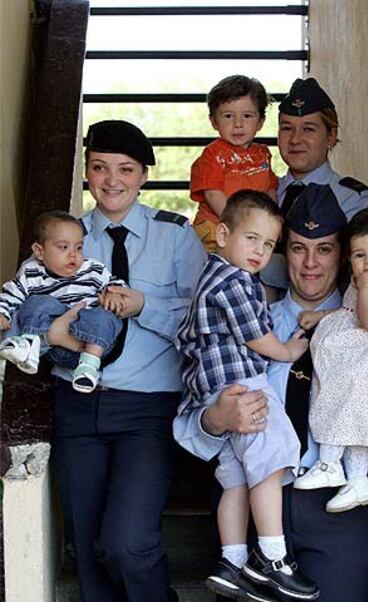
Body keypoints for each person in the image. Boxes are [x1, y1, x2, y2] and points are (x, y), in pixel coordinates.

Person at [174, 185, 368, 602]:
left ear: (342, 256)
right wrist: (215, 419)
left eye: (324, 249)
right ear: (281, 253)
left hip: (340, 509)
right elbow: (190, 403)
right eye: (296, 248)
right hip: (255, 510)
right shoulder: (250, 322)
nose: (310, 263)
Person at [46, 120, 206, 602]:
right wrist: (57, 334)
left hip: (148, 411)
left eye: (125, 169)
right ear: (87, 174)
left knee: (128, 542)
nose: (112, 180)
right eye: (99, 168)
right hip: (77, 406)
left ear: (143, 176)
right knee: (89, 548)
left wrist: (145, 307)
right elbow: (32, 312)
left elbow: (202, 321)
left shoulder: (175, 237)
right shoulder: (66, 241)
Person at [175, 189, 318, 601]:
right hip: (242, 385)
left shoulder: (214, 276)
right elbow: (256, 338)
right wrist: (289, 350)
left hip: (216, 389)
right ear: (221, 233)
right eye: (251, 238)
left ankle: (231, 562)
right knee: (271, 462)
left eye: (269, 244)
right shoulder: (234, 281)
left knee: (236, 480)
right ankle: (274, 558)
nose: (260, 251)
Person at [294, 205, 368, 512]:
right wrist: (321, 315)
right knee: (349, 421)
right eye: (360, 255)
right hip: (351, 366)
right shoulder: (360, 286)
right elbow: (348, 313)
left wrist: (365, 288)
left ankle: (330, 463)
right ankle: (357, 481)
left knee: (347, 412)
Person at [261, 76, 368, 295]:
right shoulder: (264, 192)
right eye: (286, 128)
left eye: (308, 129)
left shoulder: (351, 198)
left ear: (331, 136)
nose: (295, 139)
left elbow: (343, 271)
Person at [0, 210, 125, 393]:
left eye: (78, 247)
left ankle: (89, 368)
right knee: (37, 303)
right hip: (52, 347)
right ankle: (30, 347)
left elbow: (114, 282)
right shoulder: (32, 273)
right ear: (39, 251)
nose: (73, 255)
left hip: (90, 343)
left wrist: (113, 293)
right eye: (63, 247)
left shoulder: (92, 269)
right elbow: (10, 294)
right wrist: (2, 312)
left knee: (105, 316)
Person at [190, 74, 278, 252]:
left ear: (260, 121)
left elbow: (269, 190)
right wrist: (239, 224)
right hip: (217, 226)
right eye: (228, 116)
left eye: (247, 116)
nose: (238, 124)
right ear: (214, 121)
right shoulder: (213, 154)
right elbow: (214, 194)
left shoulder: (262, 154)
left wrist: (273, 219)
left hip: (252, 228)